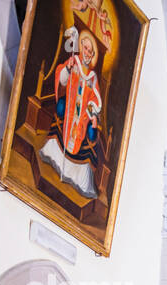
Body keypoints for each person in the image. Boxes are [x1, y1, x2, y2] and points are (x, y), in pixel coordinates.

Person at [37, 28, 103, 200]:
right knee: (61, 110)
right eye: (86, 48)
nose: (87, 53)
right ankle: (56, 158)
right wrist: (68, 67)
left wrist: (92, 111)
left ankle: (77, 178)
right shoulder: (74, 61)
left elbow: (96, 100)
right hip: (70, 108)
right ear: (81, 47)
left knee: (88, 133)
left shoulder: (93, 76)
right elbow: (62, 80)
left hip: (82, 116)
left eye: (90, 51)